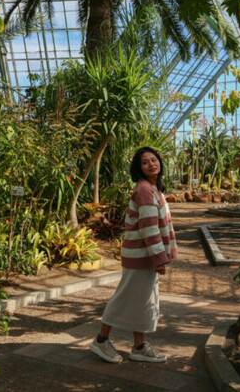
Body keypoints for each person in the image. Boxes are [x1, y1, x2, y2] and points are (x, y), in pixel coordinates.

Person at [89, 147, 178, 363]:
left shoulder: (153, 188)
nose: (151, 164)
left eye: (154, 159)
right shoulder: (145, 190)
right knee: (125, 297)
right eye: (145, 162)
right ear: (139, 169)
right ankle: (101, 341)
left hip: (143, 256)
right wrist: (159, 258)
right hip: (142, 257)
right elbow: (149, 228)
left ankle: (139, 346)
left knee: (142, 301)